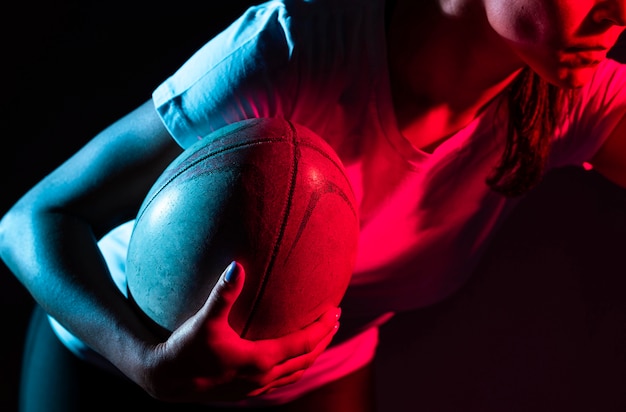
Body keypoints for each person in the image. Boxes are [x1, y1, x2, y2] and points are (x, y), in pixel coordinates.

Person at [1, 0, 625, 411]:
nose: (618, 11)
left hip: (312, 381)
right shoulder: (291, 50)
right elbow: (29, 222)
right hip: (112, 365)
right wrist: (146, 362)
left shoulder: (568, 97)